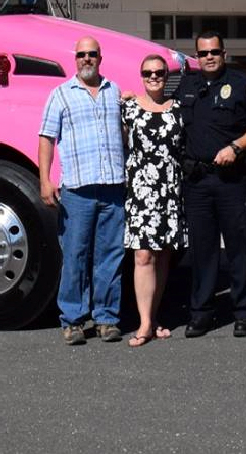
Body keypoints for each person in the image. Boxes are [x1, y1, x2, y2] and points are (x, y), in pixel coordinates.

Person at [175, 32, 246, 337]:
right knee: (202, 251)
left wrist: (236, 147)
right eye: (203, 53)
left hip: (233, 182)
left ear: (224, 52)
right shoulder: (185, 86)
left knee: (238, 248)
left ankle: (244, 313)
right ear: (196, 55)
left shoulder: (244, 85)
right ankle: (201, 314)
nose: (209, 57)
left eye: (214, 51)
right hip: (197, 181)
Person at [37, 36, 127, 344]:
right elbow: (47, 138)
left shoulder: (114, 92)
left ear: (100, 57)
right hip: (77, 191)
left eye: (92, 54)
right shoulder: (60, 95)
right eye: (81, 55)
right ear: (75, 59)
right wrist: (44, 180)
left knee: (110, 256)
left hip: (114, 188)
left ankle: (106, 318)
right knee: (75, 255)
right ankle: (73, 320)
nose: (86, 59)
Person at [121, 52, 187, 346]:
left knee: (162, 255)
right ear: (141, 75)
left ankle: (154, 316)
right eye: (148, 73)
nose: (153, 77)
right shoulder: (128, 108)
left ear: (166, 75)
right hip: (140, 190)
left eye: (159, 72)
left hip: (170, 189)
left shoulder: (179, 110)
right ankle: (144, 323)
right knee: (143, 254)